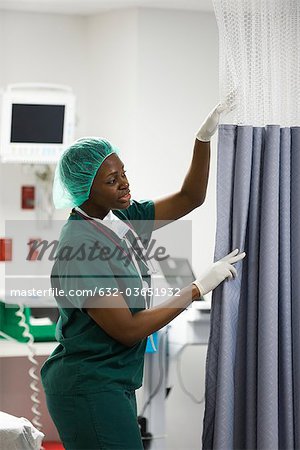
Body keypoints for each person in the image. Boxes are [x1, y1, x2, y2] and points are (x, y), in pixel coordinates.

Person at [40, 99, 245, 450]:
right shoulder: (80, 247)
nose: (124, 184)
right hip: (88, 386)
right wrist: (196, 288)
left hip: (112, 381)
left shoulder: (119, 218)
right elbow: (127, 330)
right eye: (111, 180)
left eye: (124, 173)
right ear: (85, 188)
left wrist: (202, 139)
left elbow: (190, 197)